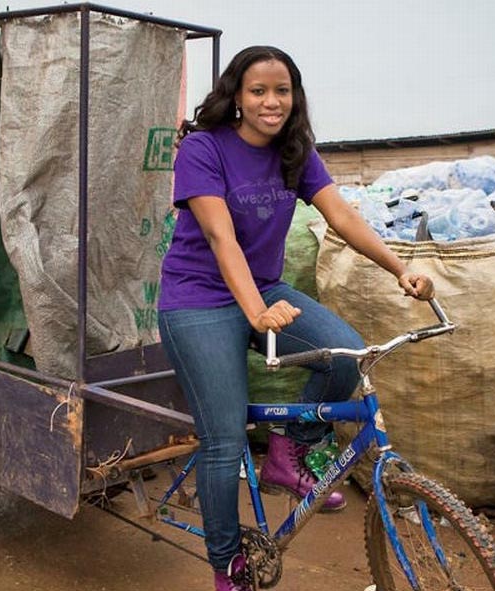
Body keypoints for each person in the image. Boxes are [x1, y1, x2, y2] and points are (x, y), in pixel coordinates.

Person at [157, 45, 434, 591]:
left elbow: (342, 215)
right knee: (224, 437)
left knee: (344, 355)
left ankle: (291, 446)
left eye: (281, 90)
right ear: (236, 96)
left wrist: (400, 268)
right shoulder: (203, 149)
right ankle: (226, 565)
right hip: (196, 300)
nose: (271, 101)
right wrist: (255, 312)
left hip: (265, 290)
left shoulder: (296, 152)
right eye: (258, 91)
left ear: (295, 96)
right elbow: (220, 235)